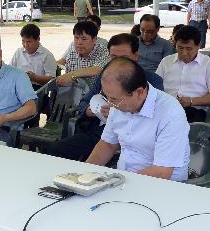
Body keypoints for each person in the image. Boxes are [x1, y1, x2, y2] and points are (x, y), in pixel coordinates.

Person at [44, 57, 189, 231]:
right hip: (123, 178)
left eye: (116, 100)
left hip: (162, 188)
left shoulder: (170, 112)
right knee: (74, 203)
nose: (111, 105)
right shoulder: (120, 104)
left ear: (140, 92)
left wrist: (113, 185)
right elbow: (107, 145)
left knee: (114, 220)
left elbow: (163, 172)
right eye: (107, 98)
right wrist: (81, 177)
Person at [43, 33, 164, 162]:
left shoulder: (152, 81)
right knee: (56, 149)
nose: (118, 63)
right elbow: (84, 102)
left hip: (134, 135)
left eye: (124, 58)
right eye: (113, 57)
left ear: (135, 56)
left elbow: (153, 115)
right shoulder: (105, 77)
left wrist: (119, 110)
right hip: (99, 130)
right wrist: (90, 111)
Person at [156, 25, 210, 122]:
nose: (184, 53)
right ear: (175, 44)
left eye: (189, 48)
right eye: (180, 48)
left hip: (194, 110)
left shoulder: (209, 64)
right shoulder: (166, 61)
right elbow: (154, 88)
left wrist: (191, 101)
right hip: (166, 108)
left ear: (199, 45)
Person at [56, 21, 110, 88]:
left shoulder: (103, 52)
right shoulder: (72, 53)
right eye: (76, 38)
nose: (79, 42)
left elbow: (96, 70)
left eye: (84, 39)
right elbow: (70, 81)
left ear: (94, 39)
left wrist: (71, 75)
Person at [9, 23, 57, 87]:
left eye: (29, 42)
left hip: (37, 89)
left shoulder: (47, 55)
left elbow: (52, 79)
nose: (25, 45)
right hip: (18, 86)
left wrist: (35, 78)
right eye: (23, 41)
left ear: (38, 39)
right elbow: (10, 70)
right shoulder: (18, 52)